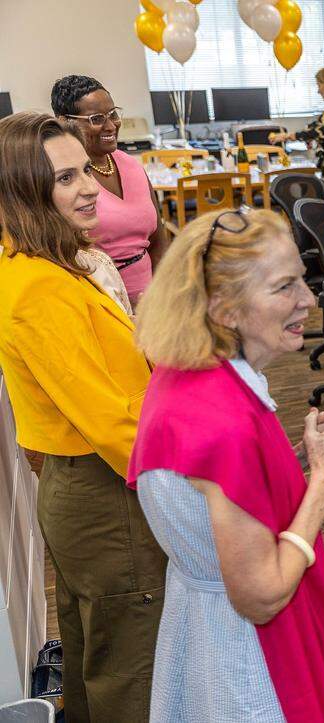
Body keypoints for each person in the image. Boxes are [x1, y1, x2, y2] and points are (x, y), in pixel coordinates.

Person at [127, 207, 324, 721]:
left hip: (199, 626)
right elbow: (263, 595)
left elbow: (214, 495)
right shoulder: (225, 423)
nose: (308, 300)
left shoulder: (185, 376)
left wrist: (289, 462)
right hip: (247, 658)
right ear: (224, 309)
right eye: (283, 287)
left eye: (303, 279)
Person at [0, 112, 167, 722]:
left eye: (85, 171)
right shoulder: (39, 286)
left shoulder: (49, 265)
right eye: (66, 177)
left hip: (86, 486)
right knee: (131, 671)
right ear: (24, 190)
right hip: (104, 489)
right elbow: (109, 420)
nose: (90, 186)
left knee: (94, 658)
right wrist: (190, 479)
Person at [51, 74, 170, 305]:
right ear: (65, 121)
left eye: (113, 114)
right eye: (96, 118)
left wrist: (161, 292)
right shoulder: (63, 179)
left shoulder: (132, 165)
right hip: (102, 300)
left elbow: (158, 237)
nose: (111, 125)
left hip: (152, 299)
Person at [270, 66, 324, 220]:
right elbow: (316, 129)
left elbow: (314, 131)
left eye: (319, 85)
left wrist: (286, 136)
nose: (318, 91)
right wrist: (313, 140)